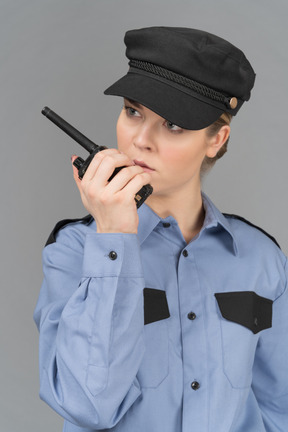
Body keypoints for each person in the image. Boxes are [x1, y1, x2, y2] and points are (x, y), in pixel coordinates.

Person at [34, 27, 288, 432]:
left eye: (172, 124)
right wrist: (114, 238)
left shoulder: (262, 260)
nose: (140, 140)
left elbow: (281, 409)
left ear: (216, 139)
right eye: (133, 111)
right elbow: (85, 405)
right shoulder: (75, 251)